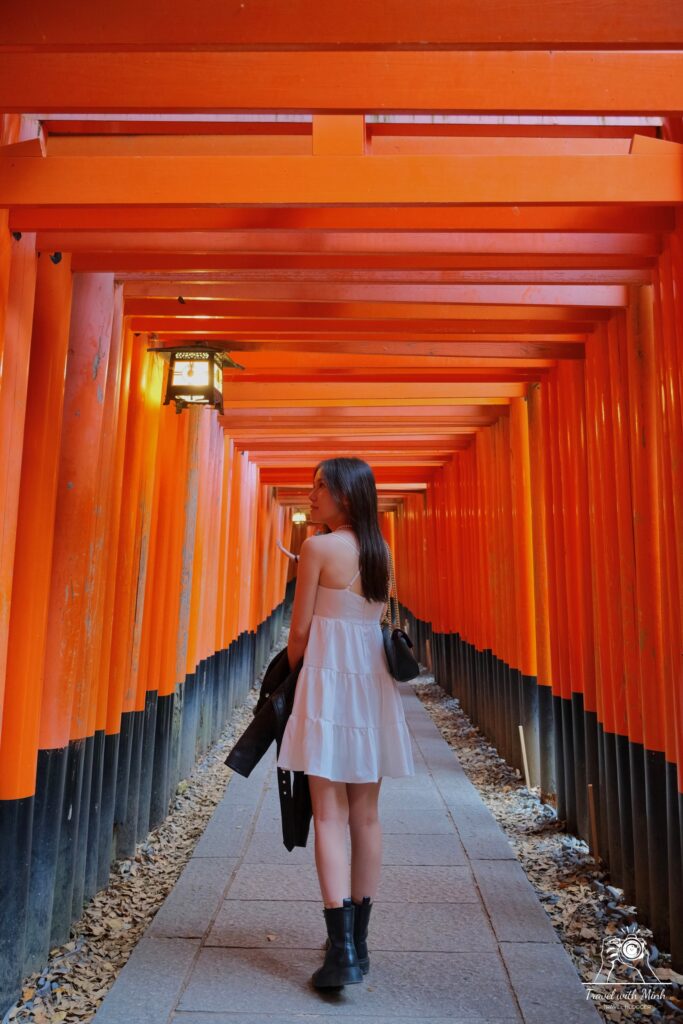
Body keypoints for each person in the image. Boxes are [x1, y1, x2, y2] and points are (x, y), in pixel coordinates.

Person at [276, 457, 415, 990]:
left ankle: (341, 954)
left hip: (329, 685)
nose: (311, 496)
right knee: (367, 818)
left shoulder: (317, 549)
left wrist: (295, 687)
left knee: (329, 818)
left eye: (319, 489)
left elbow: (300, 636)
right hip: (372, 685)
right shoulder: (380, 553)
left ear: (346, 497)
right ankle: (360, 940)